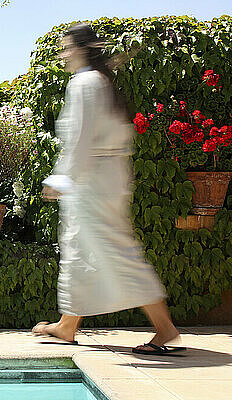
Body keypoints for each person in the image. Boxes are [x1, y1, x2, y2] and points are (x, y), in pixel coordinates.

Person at [34, 23, 184, 355]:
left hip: (93, 180)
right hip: (103, 178)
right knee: (80, 249)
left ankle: (165, 328)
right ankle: (67, 325)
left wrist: (62, 178)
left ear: (81, 48)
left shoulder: (85, 82)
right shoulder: (100, 82)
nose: (63, 53)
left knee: (115, 251)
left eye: (67, 46)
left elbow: (81, 138)